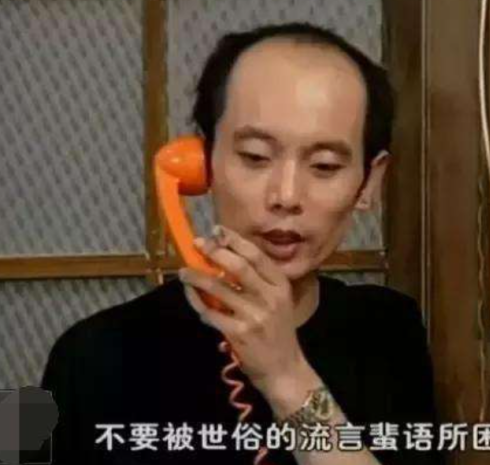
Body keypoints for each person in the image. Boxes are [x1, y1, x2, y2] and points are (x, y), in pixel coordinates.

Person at [41, 22, 442, 465]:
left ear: (369, 181)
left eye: (325, 166)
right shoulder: (93, 355)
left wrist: (287, 376)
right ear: (202, 164)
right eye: (255, 157)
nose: (285, 196)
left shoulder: (387, 332)